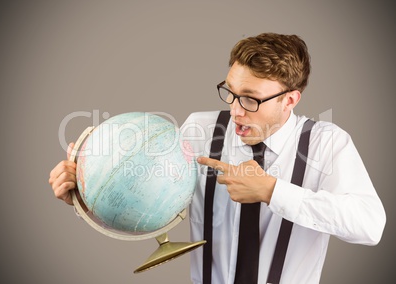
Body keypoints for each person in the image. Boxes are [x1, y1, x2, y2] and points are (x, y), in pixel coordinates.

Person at [49, 33, 386, 284]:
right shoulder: (201, 128)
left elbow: (370, 226)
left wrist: (272, 191)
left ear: (290, 99)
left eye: (251, 99)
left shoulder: (327, 143)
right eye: (230, 93)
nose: (236, 110)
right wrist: (86, 197)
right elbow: (153, 202)